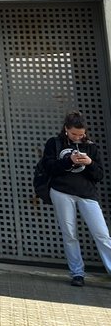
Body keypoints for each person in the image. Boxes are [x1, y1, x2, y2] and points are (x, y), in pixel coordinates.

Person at [40, 110, 111, 287]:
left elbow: (99, 175)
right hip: (62, 191)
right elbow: (48, 167)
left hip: (87, 194)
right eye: (74, 134)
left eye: (81, 134)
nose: (78, 137)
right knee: (69, 234)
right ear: (66, 129)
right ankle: (77, 273)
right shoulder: (54, 143)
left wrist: (89, 163)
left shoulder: (91, 147)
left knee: (102, 234)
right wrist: (69, 160)